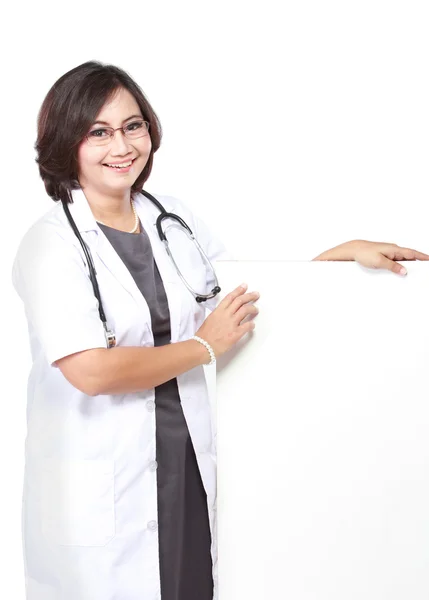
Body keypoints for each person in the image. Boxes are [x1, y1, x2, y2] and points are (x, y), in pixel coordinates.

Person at [11, 61, 429, 600]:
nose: (122, 145)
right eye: (99, 132)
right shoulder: (51, 244)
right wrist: (202, 345)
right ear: (67, 143)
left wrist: (341, 257)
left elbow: (237, 311)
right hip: (102, 489)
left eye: (132, 125)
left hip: (183, 467)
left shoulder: (172, 218)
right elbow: (90, 370)